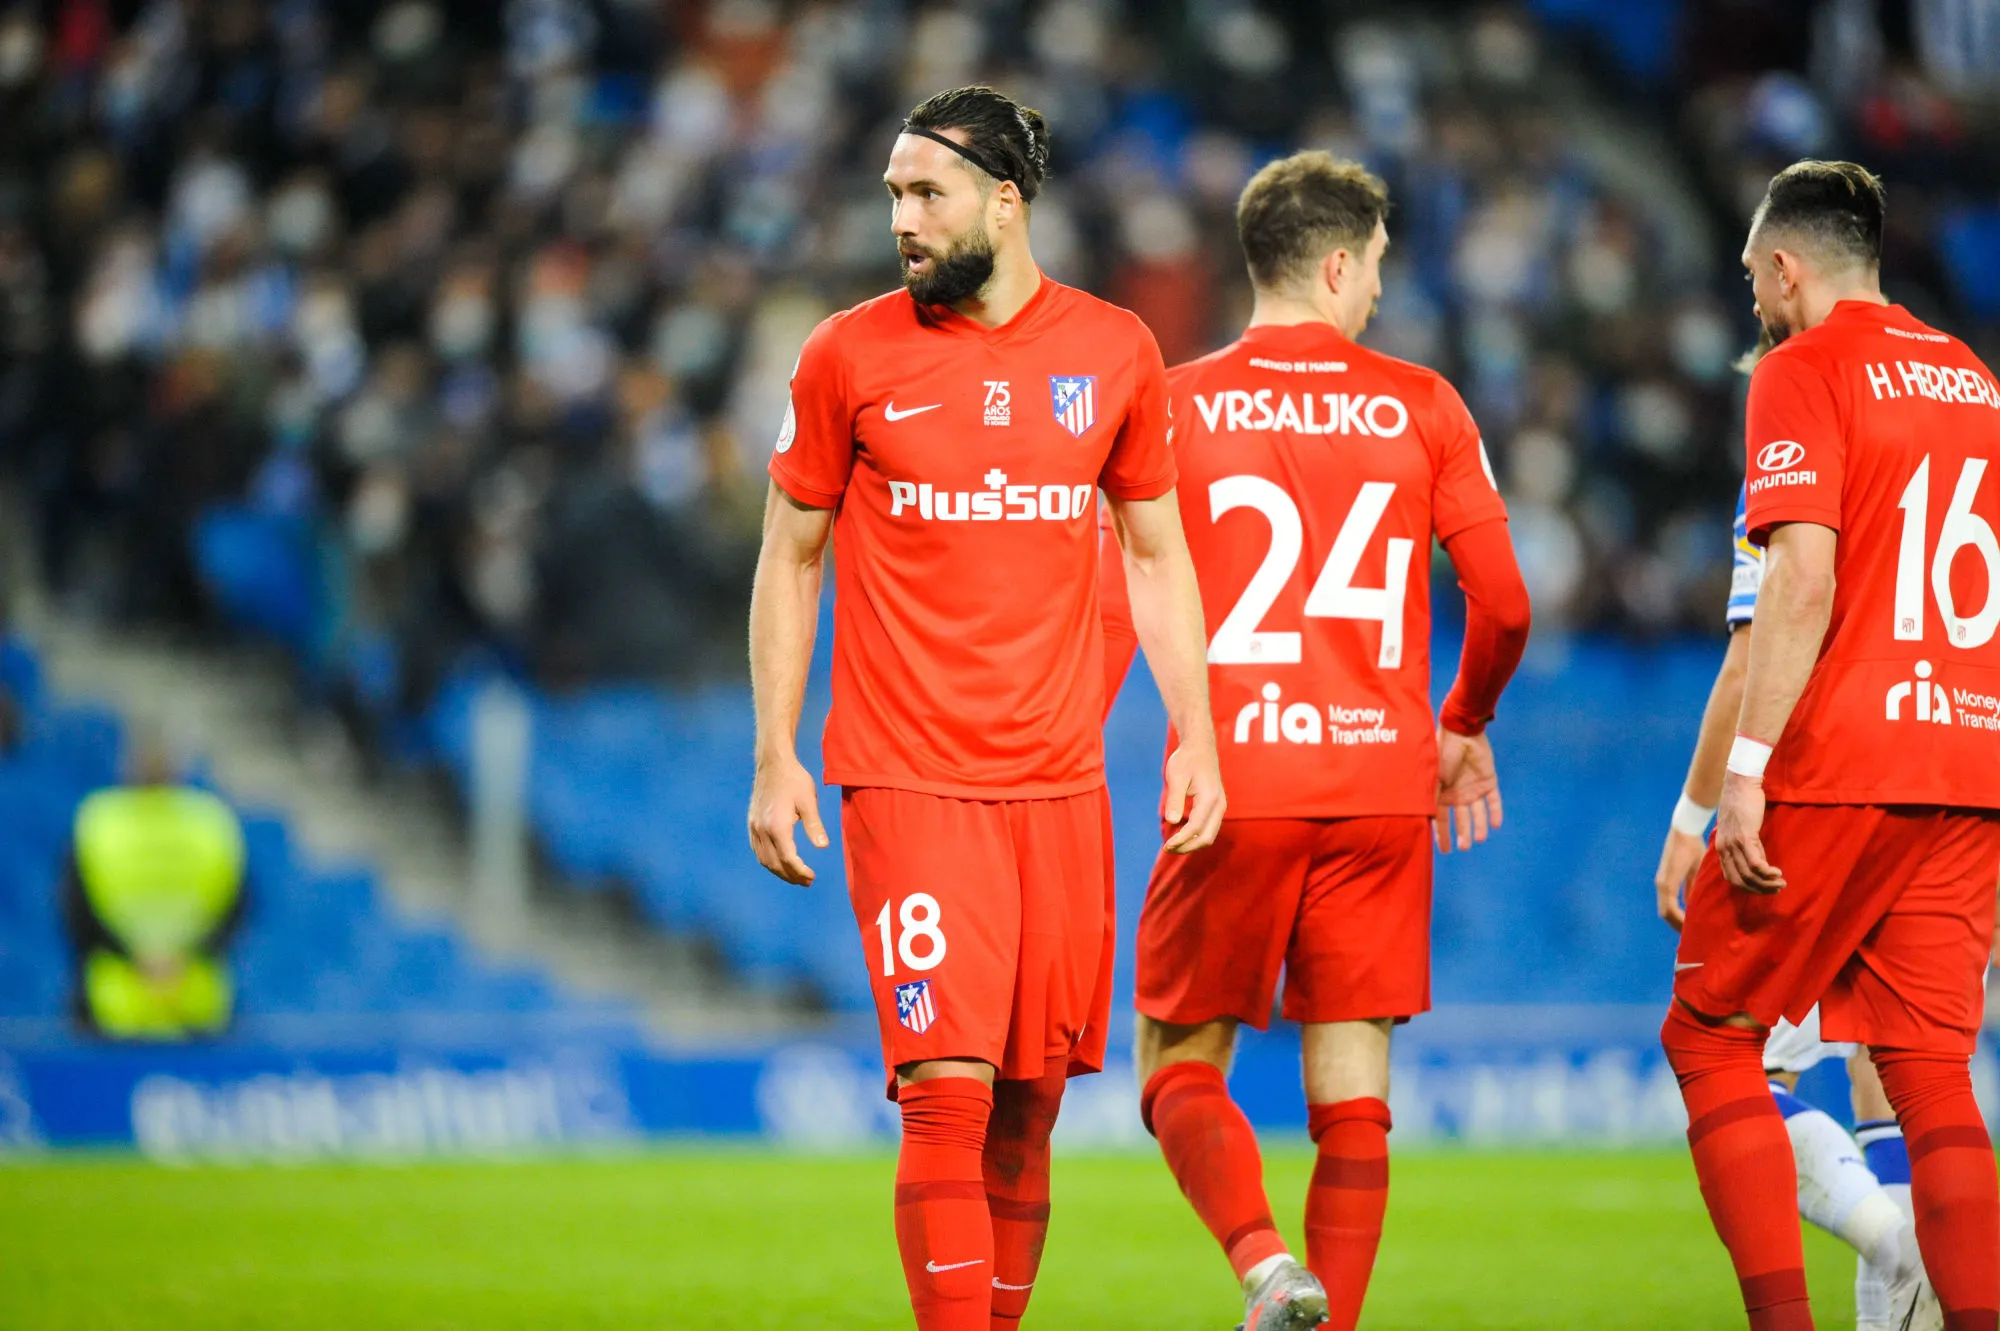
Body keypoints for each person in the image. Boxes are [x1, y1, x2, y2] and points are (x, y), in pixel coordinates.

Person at [745, 85, 1224, 1331]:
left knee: (1027, 1105)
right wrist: (774, 754)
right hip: (907, 777)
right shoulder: (844, 353)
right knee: (945, 1089)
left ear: (1004, 204)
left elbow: (1159, 553)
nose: (899, 217)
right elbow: (789, 555)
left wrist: (1197, 734)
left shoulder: (1114, 351)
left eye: (925, 193)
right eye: (892, 193)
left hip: (1059, 785)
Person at [1101, 151, 1531, 1331]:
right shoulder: (1425, 404)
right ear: (1337, 263)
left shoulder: (1173, 404)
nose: (1380, 291)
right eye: (1377, 267)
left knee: (1176, 1057)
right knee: (1353, 1096)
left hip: (1234, 775)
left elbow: (1118, 588)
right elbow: (1503, 603)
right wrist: (1462, 726)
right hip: (1378, 783)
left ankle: (1261, 1263)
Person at [1665, 158, 2000, 1331]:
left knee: (1708, 1036)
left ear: (1784, 266)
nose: (1754, 300)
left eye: (1755, 276)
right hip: (1964, 764)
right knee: (1931, 1074)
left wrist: (1744, 774)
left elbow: (1796, 576)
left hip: (1840, 757)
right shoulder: (1972, 381)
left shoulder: (1801, 369)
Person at [1656, 462, 1933, 1331]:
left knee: (1733, 1055)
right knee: (1893, 1067)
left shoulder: (1794, 461)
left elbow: (1749, 656)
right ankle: (1910, 1275)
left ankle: (1897, 1244)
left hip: (1818, 800)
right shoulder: (1944, 435)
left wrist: (1691, 816)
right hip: (1937, 782)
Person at [63, 734, 247, 1040]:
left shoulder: (98, 821)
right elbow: (238, 909)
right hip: (194, 1002)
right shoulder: (211, 822)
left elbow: (76, 913)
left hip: (114, 1004)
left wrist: (136, 957)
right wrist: (183, 958)